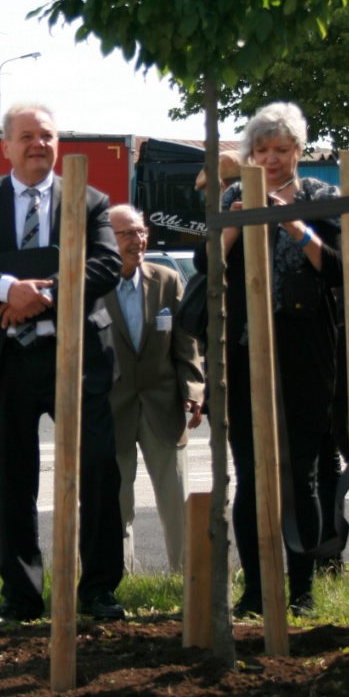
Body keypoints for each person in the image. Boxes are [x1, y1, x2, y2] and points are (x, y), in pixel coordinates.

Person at [0, 102, 124, 622]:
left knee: (99, 477)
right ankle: (21, 597)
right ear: (6, 145)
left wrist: (43, 292)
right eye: (26, 136)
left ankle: (100, 591)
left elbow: (107, 265)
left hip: (78, 360)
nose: (38, 144)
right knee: (14, 482)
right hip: (6, 363)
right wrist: (6, 287)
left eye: (47, 135)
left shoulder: (89, 200)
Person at [214, 102, 342, 618]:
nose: (270, 159)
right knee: (250, 472)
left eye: (281, 150)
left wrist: (294, 226)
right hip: (247, 345)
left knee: (302, 473)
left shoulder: (322, 197)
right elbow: (212, 267)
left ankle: (302, 590)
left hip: (308, 345)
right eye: (261, 150)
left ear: (299, 151)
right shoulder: (232, 195)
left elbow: (337, 269)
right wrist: (234, 225)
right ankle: (255, 590)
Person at [103, 204, 203, 573]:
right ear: (107, 239)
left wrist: (193, 391)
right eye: (128, 233)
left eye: (142, 232)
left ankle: (185, 578)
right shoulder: (92, 285)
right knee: (117, 502)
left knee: (176, 500)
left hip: (163, 406)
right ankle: (118, 578)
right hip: (112, 410)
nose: (138, 240)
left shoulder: (167, 280)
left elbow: (186, 343)